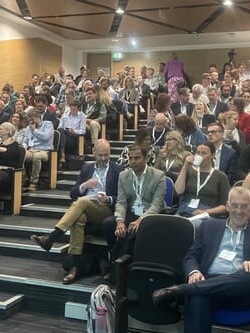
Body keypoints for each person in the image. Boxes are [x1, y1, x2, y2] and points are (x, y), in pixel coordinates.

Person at [151, 187, 250, 333]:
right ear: (227, 206)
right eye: (235, 206)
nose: (239, 211)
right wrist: (194, 271)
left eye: (244, 206)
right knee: (198, 299)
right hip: (207, 286)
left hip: (240, 290)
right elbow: (191, 256)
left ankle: (181, 290)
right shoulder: (209, 226)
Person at [30, 140, 122, 284]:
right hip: (85, 206)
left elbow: (122, 197)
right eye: (100, 155)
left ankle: (52, 237)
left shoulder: (118, 170)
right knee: (78, 218)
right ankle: (76, 267)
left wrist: (109, 198)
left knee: (80, 202)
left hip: (105, 210)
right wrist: (84, 186)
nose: (104, 158)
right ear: (94, 153)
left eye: (107, 155)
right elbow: (73, 194)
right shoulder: (87, 168)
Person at [102, 145, 166, 259]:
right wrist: (120, 221)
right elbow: (121, 202)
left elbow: (156, 205)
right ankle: (115, 255)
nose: (133, 161)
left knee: (135, 230)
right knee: (109, 223)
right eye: (130, 158)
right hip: (132, 212)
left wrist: (141, 220)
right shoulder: (123, 176)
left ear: (146, 158)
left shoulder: (158, 176)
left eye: (137, 158)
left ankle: (117, 260)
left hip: (150, 215)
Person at [174, 141, 229, 217]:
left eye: (204, 153)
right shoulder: (189, 171)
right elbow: (178, 191)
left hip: (206, 211)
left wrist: (206, 212)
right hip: (185, 209)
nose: (200, 156)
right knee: (172, 224)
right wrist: (185, 167)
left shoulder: (220, 176)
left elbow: (225, 207)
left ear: (212, 155)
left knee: (194, 225)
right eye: (198, 153)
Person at [23, 109, 54, 191]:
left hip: (44, 150)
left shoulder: (48, 124)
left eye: (32, 119)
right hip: (31, 150)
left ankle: (34, 181)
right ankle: (24, 178)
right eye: (29, 120)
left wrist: (34, 130)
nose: (30, 121)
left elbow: (45, 137)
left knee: (37, 156)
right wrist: (23, 148)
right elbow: (25, 141)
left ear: (37, 117)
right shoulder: (28, 127)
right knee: (21, 154)